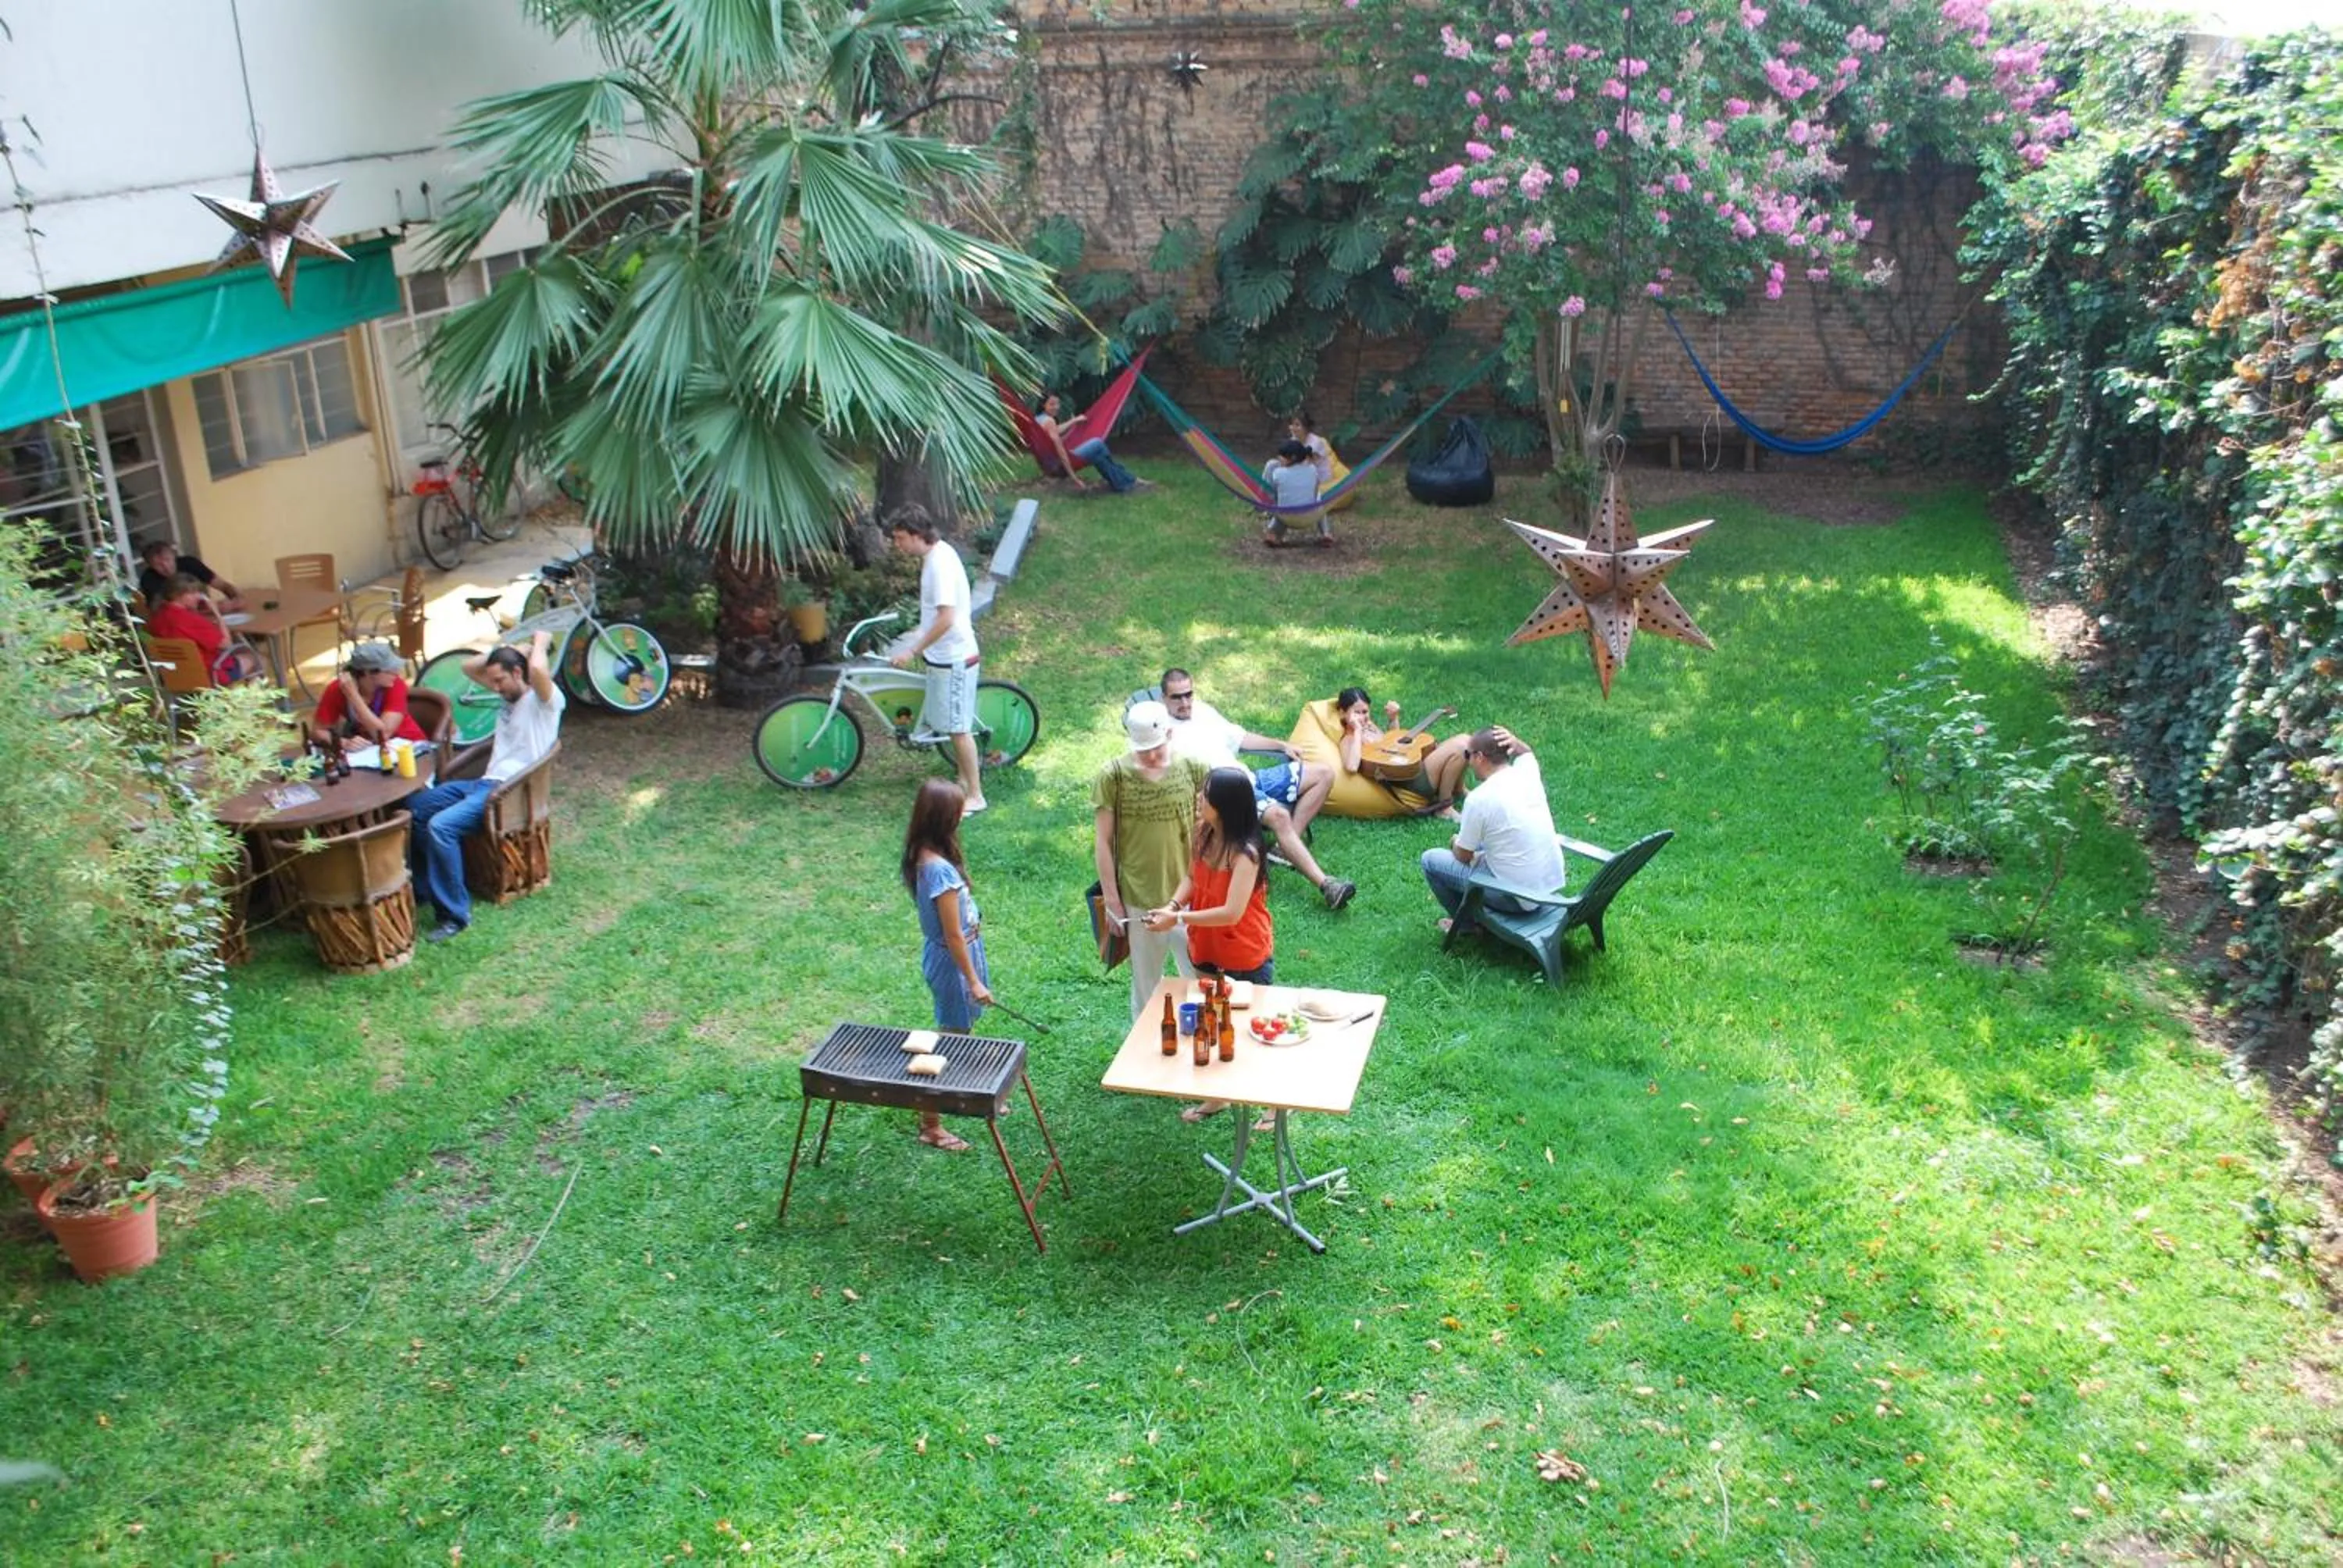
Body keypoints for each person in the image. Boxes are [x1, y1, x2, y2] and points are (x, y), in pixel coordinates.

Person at [408, 631, 563, 943]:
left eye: (499, 681)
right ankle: (425, 889)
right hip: (482, 784)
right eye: (491, 681)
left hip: (507, 793)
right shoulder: (506, 692)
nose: (493, 688)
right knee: (415, 808)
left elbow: (538, 671)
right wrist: (507, 648)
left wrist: (540, 644)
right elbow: (468, 667)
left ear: (518, 673)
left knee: (441, 827)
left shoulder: (544, 702)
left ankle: (455, 915)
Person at [1158, 667, 1353, 911]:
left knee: (1323, 773)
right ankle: (1327, 886)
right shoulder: (1160, 731)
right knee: (1279, 816)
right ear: (1163, 698)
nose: (1185, 702)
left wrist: (1282, 745)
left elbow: (1239, 738)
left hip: (1251, 778)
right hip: (1227, 792)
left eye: (1188, 694)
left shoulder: (1204, 712)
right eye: (1177, 697)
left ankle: (1283, 849)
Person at [1144, 766, 1275, 1122]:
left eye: (1206, 794)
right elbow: (1190, 877)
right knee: (1213, 1022)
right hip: (1206, 948)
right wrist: (1173, 906)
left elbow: (1232, 913)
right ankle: (1218, 1097)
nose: (1199, 798)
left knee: (1251, 1028)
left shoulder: (1246, 854)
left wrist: (1180, 919)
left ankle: (1274, 1102)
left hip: (1242, 951)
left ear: (1225, 805)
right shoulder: (1203, 833)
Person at [1093, 700, 1209, 1018]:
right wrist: (1114, 903)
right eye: (1144, 750)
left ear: (1170, 734)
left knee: (1200, 979)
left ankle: (1200, 1042)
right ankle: (1143, 1057)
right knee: (1146, 986)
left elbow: (1209, 829)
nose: (1152, 756)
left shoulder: (1194, 768)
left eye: (1157, 748)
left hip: (1190, 896)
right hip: (1139, 895)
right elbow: (1103, 841)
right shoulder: (1113, 776)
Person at [902, 778, 993, 1153]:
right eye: (958, 811)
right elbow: (953, 934)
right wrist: (973, 981)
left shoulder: (925, 852)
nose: (963, 817)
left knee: (961, 1032)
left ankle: (969, 1098)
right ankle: (931, 1125)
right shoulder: (938, 870)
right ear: (943, 818)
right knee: (951, 1039)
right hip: (954, 960)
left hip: (960, 954)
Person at [886, 508, 986, 816]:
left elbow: (946, 618)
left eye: (901, 538)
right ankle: (962, 780)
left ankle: (976, 795)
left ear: (918, 535)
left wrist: (913, 650)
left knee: (958, 729)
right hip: (944, 657)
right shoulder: (937, 556)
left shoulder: (938, 565)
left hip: (954, 657)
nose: (897, 545)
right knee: (952, 725)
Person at [1421, 726, 1567, 933]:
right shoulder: (1527, 772)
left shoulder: (1479, 799)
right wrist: (1516, 742)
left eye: (1467, 755)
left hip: (1516, 898)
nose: (1468, 763)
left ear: (1479, 757)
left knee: (1431, 860)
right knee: (1486, 838)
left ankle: (1467, 925)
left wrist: (1455, 843)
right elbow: (1527, 753)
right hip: (1546, 887)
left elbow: (1463, 856)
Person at [1333, 684, 1473, 820]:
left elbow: (1393, 743)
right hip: (1411, 783)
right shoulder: (1349, 739)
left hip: (1409, 767)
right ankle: (1444, 807)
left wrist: (1394, 719)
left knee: (1466, 740)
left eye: (1365, 712)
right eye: (1357, 713)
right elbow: (1351, 767)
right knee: (1460, 747)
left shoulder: (1369, 727)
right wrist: (1358, 731)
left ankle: (1458, 789)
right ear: (1342, 713)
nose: (1362, 717)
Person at [145, 572, 262, 685]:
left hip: (173, 677)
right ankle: (251, 702)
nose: (198, 596)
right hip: (208, 674)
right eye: (193, 593)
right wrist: (217, 613)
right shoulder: (189, 620)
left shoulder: (156, 617)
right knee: (257, 658)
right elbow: (226, 644)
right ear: (177, 595)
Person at [312, 642, 426, 750]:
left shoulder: (396, 685)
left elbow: (382, 735)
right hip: (371, 751)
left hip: (409, 746)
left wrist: (354, 697)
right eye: (390, 670)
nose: (397, 673)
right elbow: (318, 732)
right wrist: (344, 743)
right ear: (368, 672)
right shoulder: (337, 689)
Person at [1035, 391, 1149, 496]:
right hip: (1060, 464)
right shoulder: (1050, 421)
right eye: (1052, 404)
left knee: (1098, 456)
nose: (1056, 407)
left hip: (1050, 463)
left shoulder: (1039, 420)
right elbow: (1060, 449)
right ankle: (1126, 479)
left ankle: (1125, 482)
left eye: (1058, 404)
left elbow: (1055, 431)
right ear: (1043, 405)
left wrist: (1074, 421)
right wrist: (1074, 478)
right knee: (1097, 443)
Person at [1261, 438, 1329, 549]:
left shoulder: (1278, 472)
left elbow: (1272, 492)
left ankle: (1273, 533)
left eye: (1282, 456)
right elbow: (1315, 490)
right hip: (1309, 514)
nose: (1279, 459)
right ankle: (1326, 533)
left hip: (1285, 515)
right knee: (1318, 498)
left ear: (1292, 458)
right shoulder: (1312, 469)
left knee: (1283, 506)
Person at [137, 540, 241, 612]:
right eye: (158, 565)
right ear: (150, 566)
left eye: (168, 560)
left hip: (205, 613)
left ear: (174, 555)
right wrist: (210, 608)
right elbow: (158, 610)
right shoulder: (148, 579)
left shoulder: (190, 563)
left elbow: (222, 585)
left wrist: (236, 599)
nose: (166, 567)